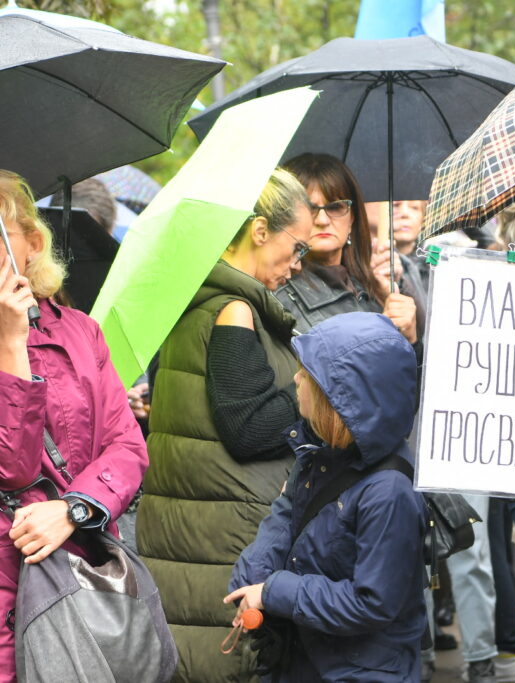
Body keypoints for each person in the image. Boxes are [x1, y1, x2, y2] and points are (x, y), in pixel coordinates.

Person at [137, 168, 314, 681]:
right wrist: (312, 387)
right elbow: (250, 428)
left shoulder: (195, 298)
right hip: (225, 542)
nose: (298, 265)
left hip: (197, 535)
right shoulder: (234, 309)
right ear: (260, 231)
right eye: (296, 246)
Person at [0, 170, 148, 682]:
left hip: (79, 574)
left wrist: (74, 508)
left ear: (33, 243)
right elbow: (13, 468)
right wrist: (11, 346)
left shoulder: (80, 331)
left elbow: (126, 446)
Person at [227, 312, 427, 682]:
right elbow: (285, 518)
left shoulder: (389, 491)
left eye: (308, 375)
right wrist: (253, 578)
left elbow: (372, 603)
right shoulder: (318, 451)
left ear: (342, 398)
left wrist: (274, 593)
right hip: (303, 657)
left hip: (359, 671)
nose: (295, 379)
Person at [275, 154, 422, 341]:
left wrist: (408, 337)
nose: (322, 220)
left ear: (352, 217)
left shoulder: (372, 287)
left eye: (336, 207)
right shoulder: (279, 299)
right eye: (309, 209)